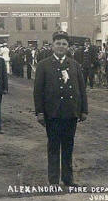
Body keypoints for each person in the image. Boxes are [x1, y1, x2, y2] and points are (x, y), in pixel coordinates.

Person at [33, 30, 88, 186]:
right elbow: (38, 91)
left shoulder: (75, 65)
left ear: (68, 47)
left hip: (70, 113)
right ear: (52, 46)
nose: (61, 46)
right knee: (53, 147)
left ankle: (68, 179)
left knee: (68, 146)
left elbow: (81, 89)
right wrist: (40, 112)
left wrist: (84, 110)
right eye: (58, 43)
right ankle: (53, 180)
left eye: (64, 44)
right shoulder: (43, 65)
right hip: (52, 114)